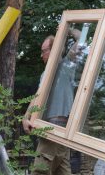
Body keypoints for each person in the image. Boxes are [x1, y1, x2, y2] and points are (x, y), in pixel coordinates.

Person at [23, 28, 81, 175]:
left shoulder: (66, 66)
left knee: (39, 171)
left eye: (44, 51)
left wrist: (67, 29)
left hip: (54, 128)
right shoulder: (45, 74)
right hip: (49, 128)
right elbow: (38, 97)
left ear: (55, 49)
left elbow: (82, 40)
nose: (41, 55)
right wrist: (26, 117)